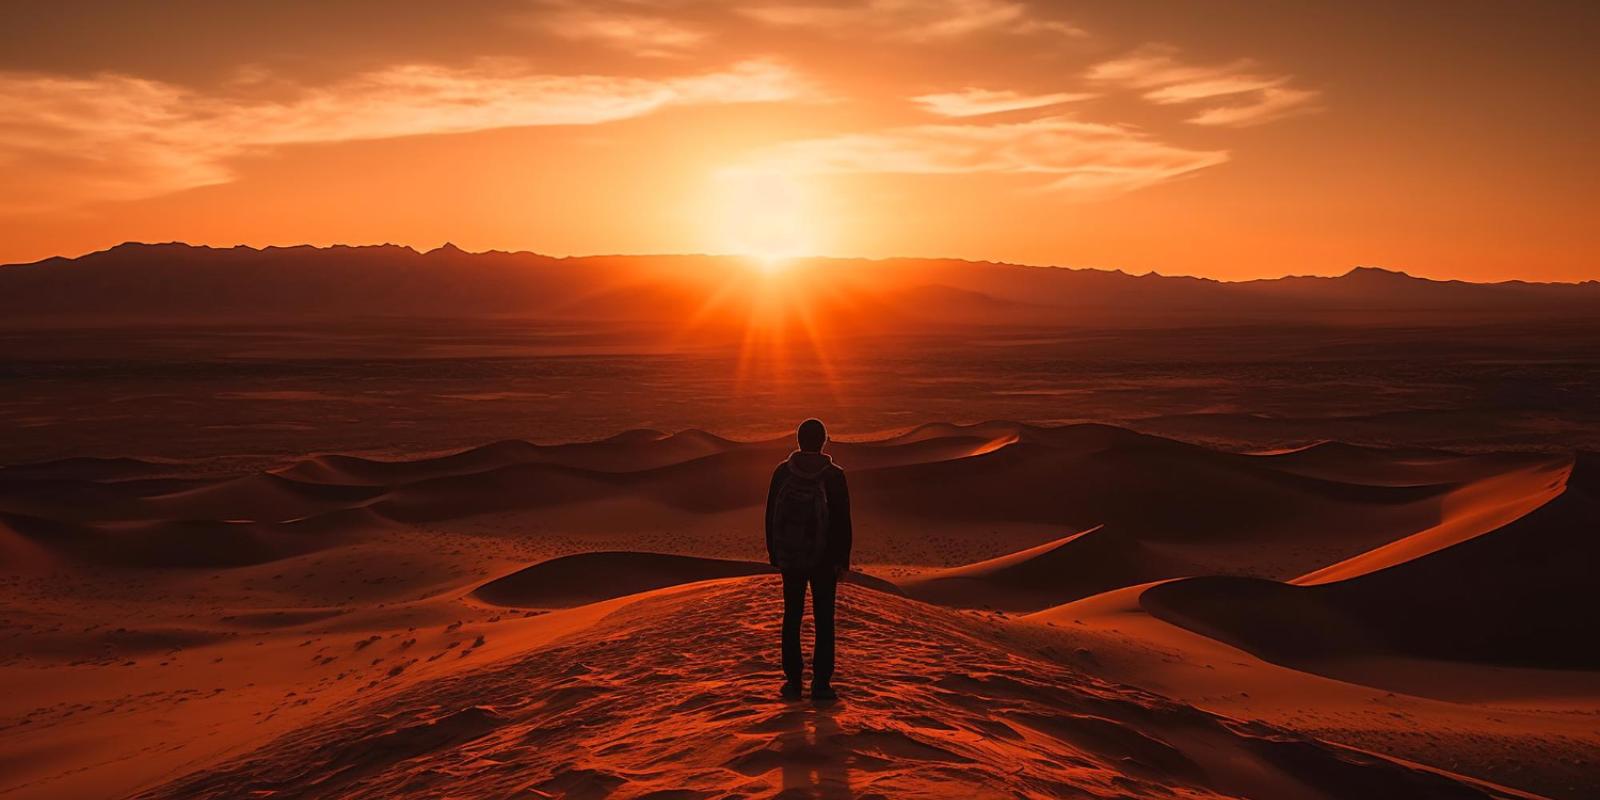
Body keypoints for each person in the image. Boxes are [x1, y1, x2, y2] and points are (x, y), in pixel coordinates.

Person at [766, 417, 852, 701]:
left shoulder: (782, 472)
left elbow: (770, 515)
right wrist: (843, 559)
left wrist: (775, 553)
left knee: (792, 616)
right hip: (825, 560)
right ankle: (821, 685)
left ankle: (792, 683)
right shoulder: (834, 475)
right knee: (824, 619)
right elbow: (842, 521)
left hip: (791, 557)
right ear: (823, 440)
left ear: (798, 440)